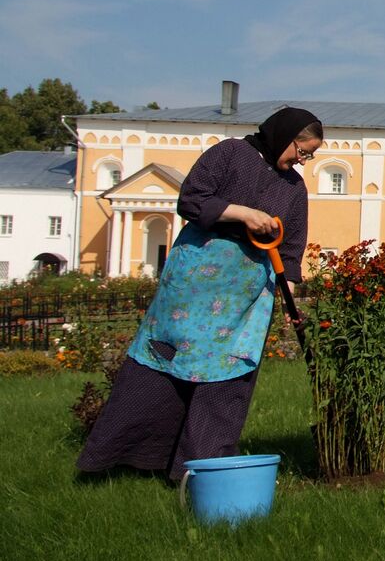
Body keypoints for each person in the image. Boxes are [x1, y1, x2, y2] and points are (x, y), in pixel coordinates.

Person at [78, 107, 322, 481]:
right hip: (194, 283)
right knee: (164, 363)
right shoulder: (230, 154)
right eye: (301, 151)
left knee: (228, 374)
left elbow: (291, 246)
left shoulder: (294, 188)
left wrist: (287, 292)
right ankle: (129, 457)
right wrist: (242, 213)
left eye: (309, 156)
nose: (302, 160)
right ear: (284, 135)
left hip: (247, 295)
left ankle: (201, 467)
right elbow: (190, 200)